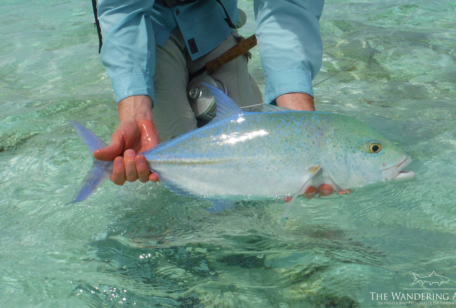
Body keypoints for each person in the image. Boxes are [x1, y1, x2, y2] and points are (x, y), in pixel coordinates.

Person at [92, 0, 334, 198]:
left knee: (258, 171)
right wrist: (135, 111)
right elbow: (121, 7)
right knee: (177, 192)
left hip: (212, 18)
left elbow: (288, 7)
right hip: (146, 27)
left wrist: (300, 119)